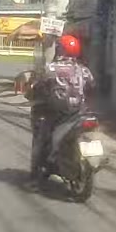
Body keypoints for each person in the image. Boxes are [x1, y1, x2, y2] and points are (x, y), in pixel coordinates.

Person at [26, 34, 95, 189]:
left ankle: (35, 179)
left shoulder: (50, 69)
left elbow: (37, 87)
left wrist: (33, 92)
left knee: (40, 141)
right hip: (78, 113)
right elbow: (92, 86)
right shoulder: (84, 70)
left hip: (55, 113)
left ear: (59, 50)